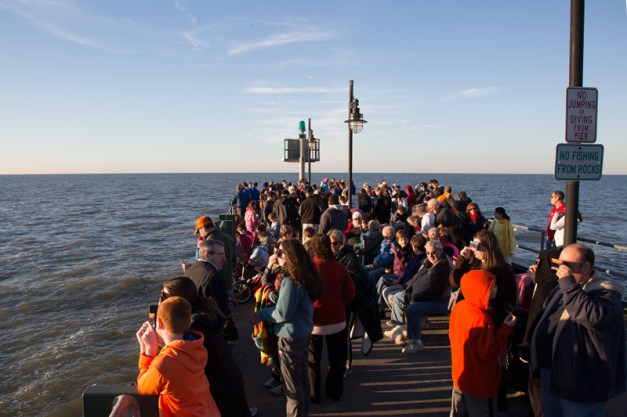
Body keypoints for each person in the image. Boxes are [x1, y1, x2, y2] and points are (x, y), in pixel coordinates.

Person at [530, 244, 625, 417]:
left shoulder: (606, 294)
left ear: (586, 266)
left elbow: (591, 315)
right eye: (558, 264)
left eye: (566, 265)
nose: (560, 270)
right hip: (552, 371)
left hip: (580, 382)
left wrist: (568, 284)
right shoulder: (562, 289)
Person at [161, 277, 256, 417]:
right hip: (228, 374)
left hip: (218, 384)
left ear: (177, 299)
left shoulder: (193, 325)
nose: (162, 299)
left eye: (164, 295)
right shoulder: (205, 308)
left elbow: (185, 358)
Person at [249, 239, 323, 417]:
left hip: (290, 336)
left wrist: (261, 314)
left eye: (280, 252)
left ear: (290, 256)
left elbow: (283, 313)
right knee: (302, 380)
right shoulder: (306, 275)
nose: (277, 255)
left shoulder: (291, 280)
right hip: (303, 332)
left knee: (292, 386)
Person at [136, 296, 221, 417]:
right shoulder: (197, 347)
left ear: (159, 323)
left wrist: (148, 351)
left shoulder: (164, 364)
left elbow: (142, 387)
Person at [449, 270, 517, 417]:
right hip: (480, 382)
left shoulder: (459, 307)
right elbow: (489, 352)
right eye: (491, 287)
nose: (496, 288)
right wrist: (505, 329)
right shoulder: (481, 319)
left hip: (460, 377)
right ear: (480, 291)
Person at [307, 235, 356, 403]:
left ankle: (314, 394)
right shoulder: (340, 267)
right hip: (337, 319)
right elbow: (350, 293)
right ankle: (335, 391)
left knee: (313, 359)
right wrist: (339, 303)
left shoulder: (310, 268)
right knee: (336, 359)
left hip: (315, 320)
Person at [399, 239, 451, 353]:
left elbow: (436, 291)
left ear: (440, 251)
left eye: (433, 252)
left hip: (441, 301)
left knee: (413, 309)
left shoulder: (444, 266)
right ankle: (409, 335)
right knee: (404, 298)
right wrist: (411, 289)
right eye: (428, 253)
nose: (431, 256)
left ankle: (416, 342)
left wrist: (416, 298)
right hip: (427, 298)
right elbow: (417, 276)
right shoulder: (429, 262)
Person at [195, 215, 237, 291]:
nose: (199, 234)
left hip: (215, 284)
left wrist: (199, 248)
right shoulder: (228, 237)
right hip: (229, 282)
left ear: (203, 228)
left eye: (199, 231)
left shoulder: (208, 243)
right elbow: (234, 261)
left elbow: (203, 265)